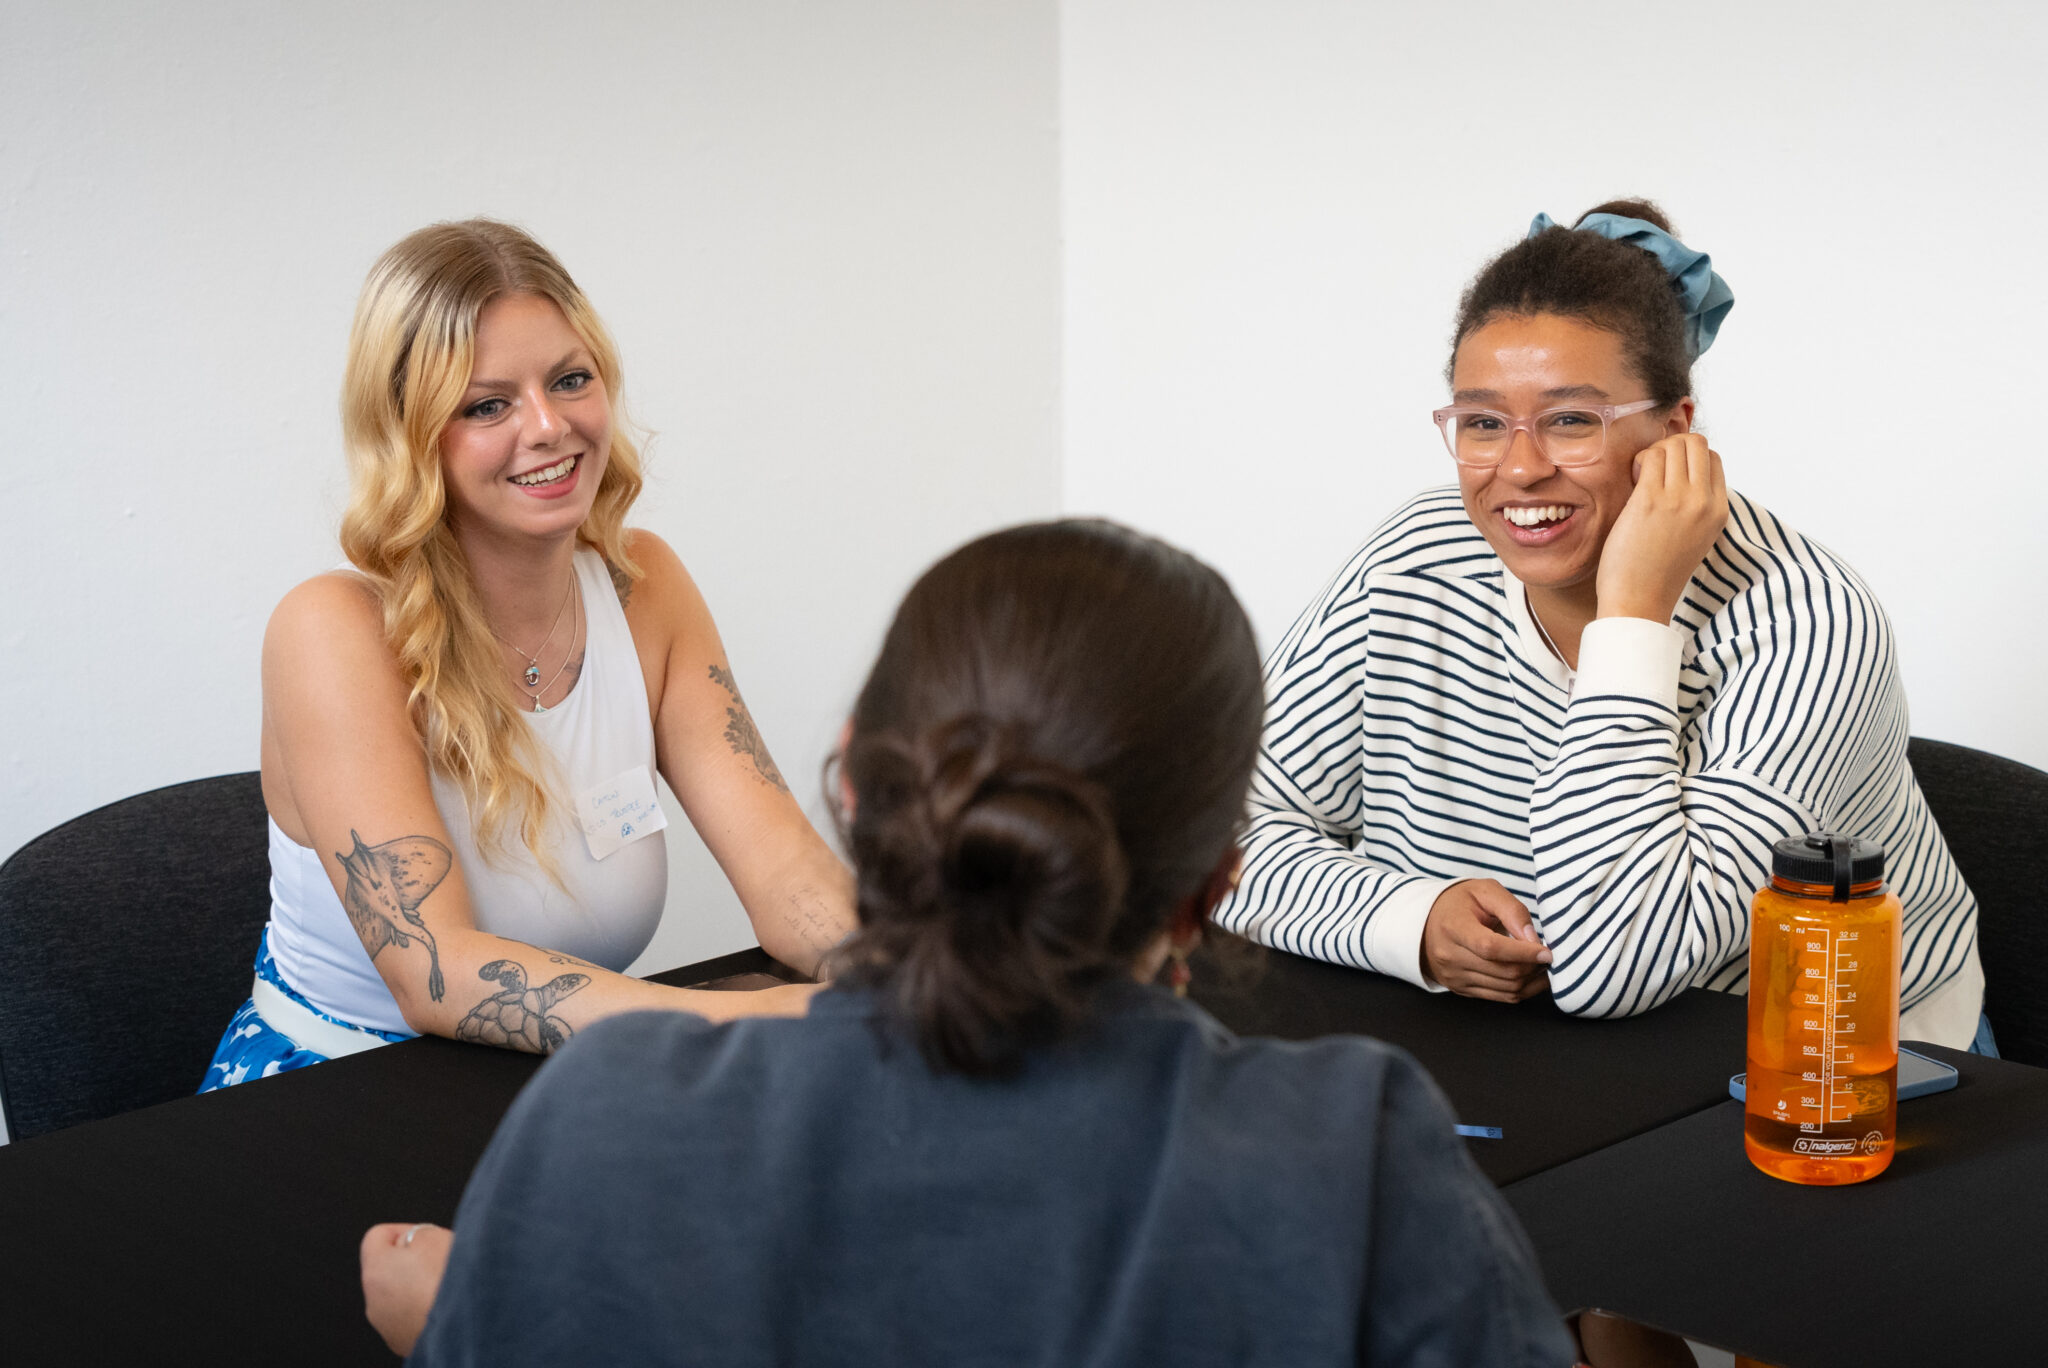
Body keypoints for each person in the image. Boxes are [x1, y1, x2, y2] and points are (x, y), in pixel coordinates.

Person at [359, 520, 1578, 1366]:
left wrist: (475, 1321)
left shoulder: (607, 1116)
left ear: (852, 787)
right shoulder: (1355, 1155)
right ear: (1215, 879)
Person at [1218, 200, 1984, 1050]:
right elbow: (1213, 833)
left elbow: (1617, 963)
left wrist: (1632, 618)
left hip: (1822, 1072)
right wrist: (1410, 918)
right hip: (1518, 1049)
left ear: (1675, 429)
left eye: (1572, 419)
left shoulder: (1809, 618)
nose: (1519, 467)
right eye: (1481, 422)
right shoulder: (1416, 557)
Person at [202, 219, 852, 1088]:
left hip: (557, 1078)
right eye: (487, 405)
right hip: (342, 1092)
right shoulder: (331, 628)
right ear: (411, 434)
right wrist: (761, 1018)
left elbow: (787, 875)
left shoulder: (644, 585)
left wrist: (906, 986)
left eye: (570, 380)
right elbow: (440, 977)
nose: (548, 426)